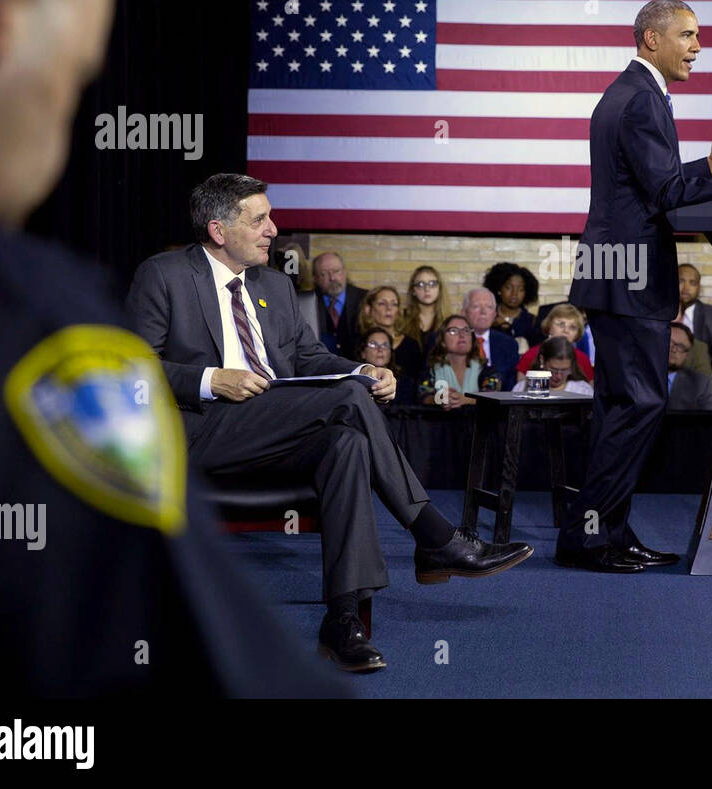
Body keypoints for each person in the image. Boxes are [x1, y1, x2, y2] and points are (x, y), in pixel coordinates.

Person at [0, 0, 342, 696]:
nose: (53, 149)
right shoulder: (29, 324)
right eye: (68, 80)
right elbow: (202, 657)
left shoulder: (271, 288)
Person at [127, 175, 532, 673]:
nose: (273, 229)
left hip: (277, 426)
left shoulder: (272, 283)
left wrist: (364, 370)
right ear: (217, 228)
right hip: (203, 429)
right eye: (259, 220)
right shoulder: (163, 274)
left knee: (346, 444)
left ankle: (342, 620)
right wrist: (213, 379)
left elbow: (308, 356)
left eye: (270, 218)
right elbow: (134, 368)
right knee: (345, 401)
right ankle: (434, 538)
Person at [559, 0, 712, 574]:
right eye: (689, 35)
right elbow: (665, 197)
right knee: (636, 405)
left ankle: (602, 533)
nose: (698, 47)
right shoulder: (642, 99)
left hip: (618, 275)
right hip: (627, 278)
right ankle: (592, 540)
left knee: (624, 406)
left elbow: (653, 182)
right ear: (652, 39)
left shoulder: (631, 92)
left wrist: (709, 166)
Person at [418, 314, 503, 406]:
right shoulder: (431, 370)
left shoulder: (487, 371)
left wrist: (466, 400)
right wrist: (439, 399)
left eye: (466, 330)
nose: (462, 335)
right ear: (442, 341)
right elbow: (423, 397)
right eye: (453, 331)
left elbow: (492, 397)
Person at [357, 285, 425, 400]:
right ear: (368, 309)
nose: (389, 308)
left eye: (394, 304)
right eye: (382, 303)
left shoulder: (411, 345)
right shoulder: (358, 341)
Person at [515, 302, 595, 385]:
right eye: (561, 324)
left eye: (572, 327)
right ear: (549, 326)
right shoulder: (530, 355)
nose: (566, 331)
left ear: (578, 334)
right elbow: (520, 390)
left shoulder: (583, 359)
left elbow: (590, 392)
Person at [307, 252, 367, 358]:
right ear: (315, 278)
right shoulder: (307, 301)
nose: (332, 278)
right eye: (324, 274)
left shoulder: (364, 298)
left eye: (336, 271)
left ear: (345, 272)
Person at [677, 262, 712, 373]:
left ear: (699, 287)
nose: (686, 288)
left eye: (692, 283)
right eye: (680, 281)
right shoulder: (658, 315)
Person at [464, 287, 520, 382]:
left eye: (489, 307)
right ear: (464, 312)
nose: (483, 312)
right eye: (476, 306)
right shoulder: (455, 341)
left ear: (494, 314)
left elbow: (510, 385)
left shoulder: (509, 344)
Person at [484, 261, 542, 350]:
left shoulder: (532, 322)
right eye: (509, 287)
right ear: (499, 289)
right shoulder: (487, 318)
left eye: (520, 289)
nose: (514, 294)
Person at [396, 265, 450, 355]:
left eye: (432, 284)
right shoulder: (401, 318)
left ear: (439, 289)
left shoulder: (448, 321)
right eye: (421, 284)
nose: (427, 289)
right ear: (413, 290)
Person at [512, 337, 593, 396]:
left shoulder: (582, 391)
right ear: (542, 360)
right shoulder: (523, 388)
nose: (558, 376)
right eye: (553, 370)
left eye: (565, 370)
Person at [665, 322, 712, 411]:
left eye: (680, 347)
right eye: (670, 342)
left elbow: (709, 421)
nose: (673, 349)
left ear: (687, 355)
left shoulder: (701, 383)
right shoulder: (636, 376)